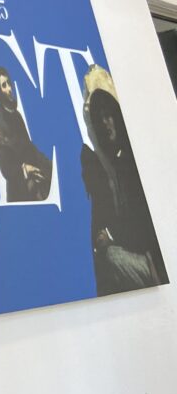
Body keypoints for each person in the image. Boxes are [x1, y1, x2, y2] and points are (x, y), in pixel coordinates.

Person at [80, 66, 167, 295]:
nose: (106, 123)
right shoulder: (115, 161)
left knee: (108, 257)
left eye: (109, 115)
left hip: (155, 263)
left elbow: (144, 228)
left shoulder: (131, 160)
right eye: (100, 118)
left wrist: (110, 237)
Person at [0, 65, 51, 201]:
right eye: (4, 85)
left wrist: (47, 165)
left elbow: (28, 147)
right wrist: (26, 169)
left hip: (33, 185)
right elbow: (5, 168)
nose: (9, 89)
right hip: (19, 192)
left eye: (9, 83)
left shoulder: (17, 116)